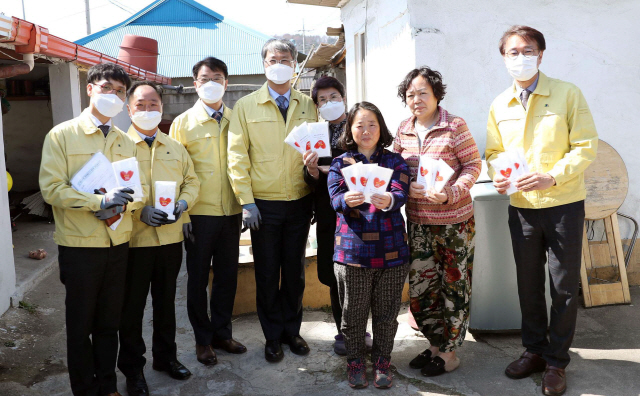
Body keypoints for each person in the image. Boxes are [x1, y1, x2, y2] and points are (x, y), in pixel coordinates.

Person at [486, 25, 598, 396]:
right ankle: (534, 350)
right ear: (504, 58)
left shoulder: (567, 94)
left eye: (527, 50)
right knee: (528, 283)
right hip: (521, 207)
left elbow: (585, 146)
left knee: (563, 286)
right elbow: (493, 155)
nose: (520, 57)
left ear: (541, 54)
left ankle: (556, 361)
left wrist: (552, 176)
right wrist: (499, 178)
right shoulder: (499, 104)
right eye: (512, 52)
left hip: (563, 204)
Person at [39, 63, 145, 396]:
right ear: (89, 89)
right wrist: (98, 202)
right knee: (80, 325)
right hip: (80, 246)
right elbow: (51, 189)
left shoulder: (124, 141)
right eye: (106, 88)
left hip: (118, 243)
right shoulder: (62, 135)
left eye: (119, 91)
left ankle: (108, 385)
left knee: (108, 323)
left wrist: (125, 203)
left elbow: (135, 193)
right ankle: (84, 389)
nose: (112, 95)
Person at [228, 39, 317, 363]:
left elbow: (317, 150)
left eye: (285, 58)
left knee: (294, 271)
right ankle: (272, 336)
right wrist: (247, 202)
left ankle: (292, 331)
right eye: (272, 58)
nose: (278, 63)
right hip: (263, 204)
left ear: (293, 65)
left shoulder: (308, 104)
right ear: (264, 64)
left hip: (298, 200)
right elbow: (236, 156)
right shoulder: (246, 106)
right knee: (267, 272)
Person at [394, 67, 481, 377]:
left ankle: (450, 352)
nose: (416, 99)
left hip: (454, 223)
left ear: (436, 94)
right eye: (410, 94)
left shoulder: (454, 125)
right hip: (417, 223)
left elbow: (473, 165)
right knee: (422, 287)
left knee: (454, 287)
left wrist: (452, 193)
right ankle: (434, 343)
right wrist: (405, 185)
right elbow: (396, 168)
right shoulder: (403, 128)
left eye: (423, 93)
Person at [117, 81, 200, 395]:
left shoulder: (174, 147)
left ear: (162, 108)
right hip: (134, 242)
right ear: (129, 109)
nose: (148, 110)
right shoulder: (119, 146)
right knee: (132, 309)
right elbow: (111, 189)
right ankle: (133, 370)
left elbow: (192, 182)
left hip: (169, 241)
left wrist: (183, 203)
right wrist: (138, 211)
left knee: (166, 305)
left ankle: (165, 359)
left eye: (154, 104)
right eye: (141, 104)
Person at [169, 57, 247, 366]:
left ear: (227, 83)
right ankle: (203, 341)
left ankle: (222, 334)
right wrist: (183, 214)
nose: (211, 82)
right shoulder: (183, 124)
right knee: (198, 279)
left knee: (227, 276)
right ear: (194, 85)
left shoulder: (236, 119)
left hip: (231, 211)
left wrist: (245, 204)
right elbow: (175, 172)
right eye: (205, 78)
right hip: (198, 215)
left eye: (217, 77)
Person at [328, 102, 411, 389]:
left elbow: (400, 191)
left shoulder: (395, 161)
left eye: (372, 124)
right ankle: (355, 362)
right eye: (359, 125)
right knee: (353, 314)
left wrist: (390, 200)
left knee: (387, 314)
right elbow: (334, 198)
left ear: (381, 128)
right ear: (350, 130)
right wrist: (344, 201)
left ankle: (382, 362)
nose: (366, 130)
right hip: (352, 251)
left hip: (391, 250)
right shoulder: (340, 163)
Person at [302, 76, 373, 355]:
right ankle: (343, 331)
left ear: (343, 97)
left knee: (358, 272)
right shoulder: (315, 134)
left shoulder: (358, 127)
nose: (328, 103)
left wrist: (336, 167)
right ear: (316, 106)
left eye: (333, 96)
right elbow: (309, 181)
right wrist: (311, 172)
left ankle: (362, 330)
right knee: (334, 274)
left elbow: (369, 164)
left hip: (357, 212)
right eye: (321, 100)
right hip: (328, 214)